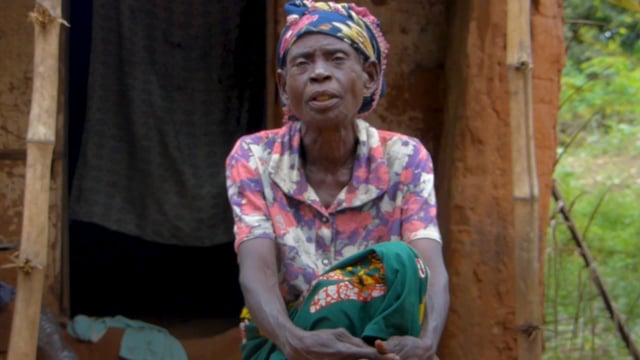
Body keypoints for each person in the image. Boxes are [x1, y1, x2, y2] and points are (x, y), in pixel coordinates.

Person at [225, 1, 449, 359]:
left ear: (370, 76)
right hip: (285, 343)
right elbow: (257, 271)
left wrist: (427, 343)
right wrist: (295, 341)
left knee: (402, 262)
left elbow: (431, 267)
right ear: (283, 86)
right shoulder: (254, 157)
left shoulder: (405, 158)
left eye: (336, 59)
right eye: (302, 63)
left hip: (374, 342)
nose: (319, 74)